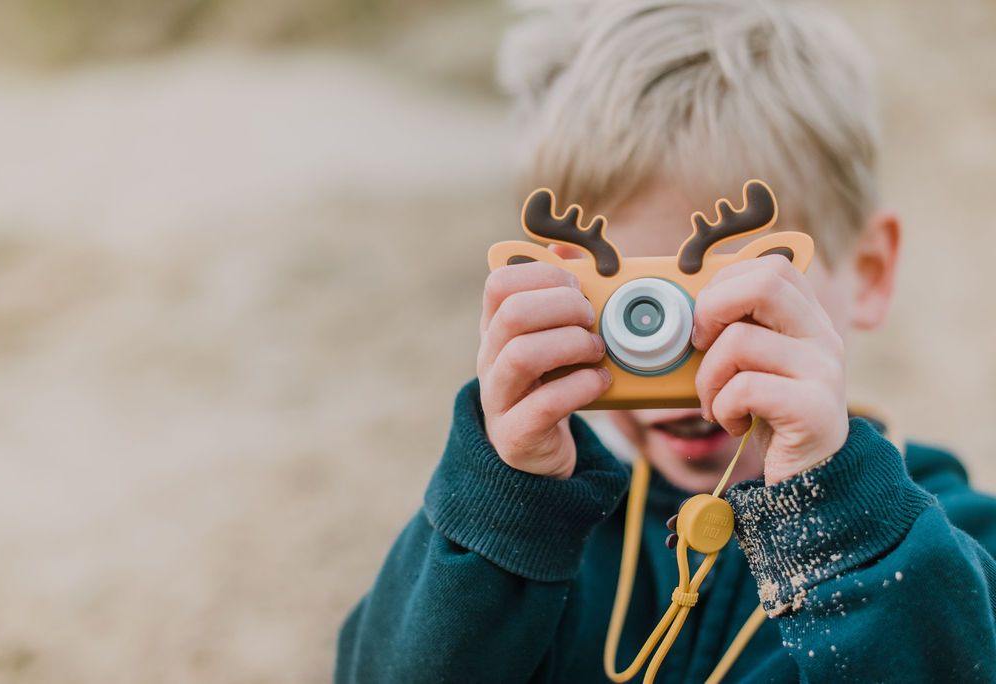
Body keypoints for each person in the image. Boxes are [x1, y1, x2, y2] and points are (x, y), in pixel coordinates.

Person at [336, 1, 996, 681]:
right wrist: (498, 508)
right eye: (627, 304)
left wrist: (840, 520)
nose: (676, 344)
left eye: (728, 294)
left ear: (868, 273)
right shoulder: (544, 537)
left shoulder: (947, 550)